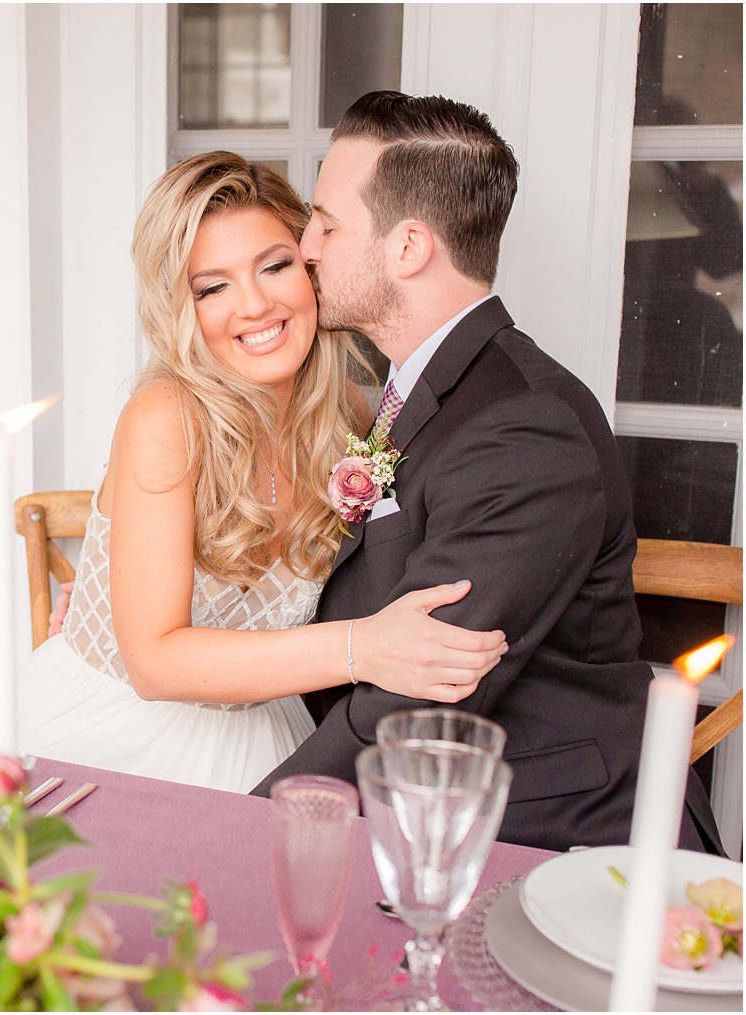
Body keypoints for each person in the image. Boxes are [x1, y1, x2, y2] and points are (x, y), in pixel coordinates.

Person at [251, 91, 723, 855]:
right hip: (427, 793)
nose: (307, 245)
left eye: (327, 224)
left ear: (408, 248)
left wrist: (250, 820)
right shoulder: (422, 391)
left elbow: (418, 686)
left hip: (549, 833)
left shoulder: (525, 428)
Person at [17, 151, 508, 794]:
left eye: (274, 267)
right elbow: (156, 662)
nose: (253, 305)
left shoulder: (354, 417)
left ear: (312, 268)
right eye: (211, 286)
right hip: (113, 735)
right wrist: (364, 648)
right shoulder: (166, 417)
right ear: (181, 308)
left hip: (273, 736)